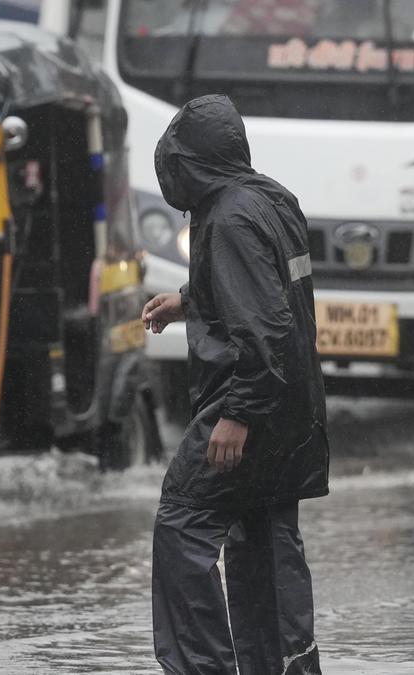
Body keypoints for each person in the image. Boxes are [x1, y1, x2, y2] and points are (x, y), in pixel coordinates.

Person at [141, 94, 329, 674]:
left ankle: (202, 667)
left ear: (188, 164)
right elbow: (267, 289)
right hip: (295, 408)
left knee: (183, 522)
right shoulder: (272, 198)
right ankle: (285, 666)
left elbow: (266, 324)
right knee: (265, 536)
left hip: (251, 398)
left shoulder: (226, 217)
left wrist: (237, 414)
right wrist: (191, 299)